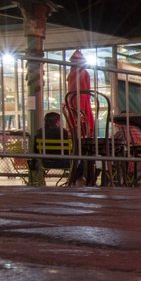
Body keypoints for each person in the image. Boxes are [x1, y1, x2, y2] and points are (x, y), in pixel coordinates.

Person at [62, 50, 97, 185]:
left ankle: (77, 176)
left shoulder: (71, 78)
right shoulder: (82, 76)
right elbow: (85, 95)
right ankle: (83, 176)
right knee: (85, 149)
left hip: (75, 111)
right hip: (81, 111)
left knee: (78, 149)